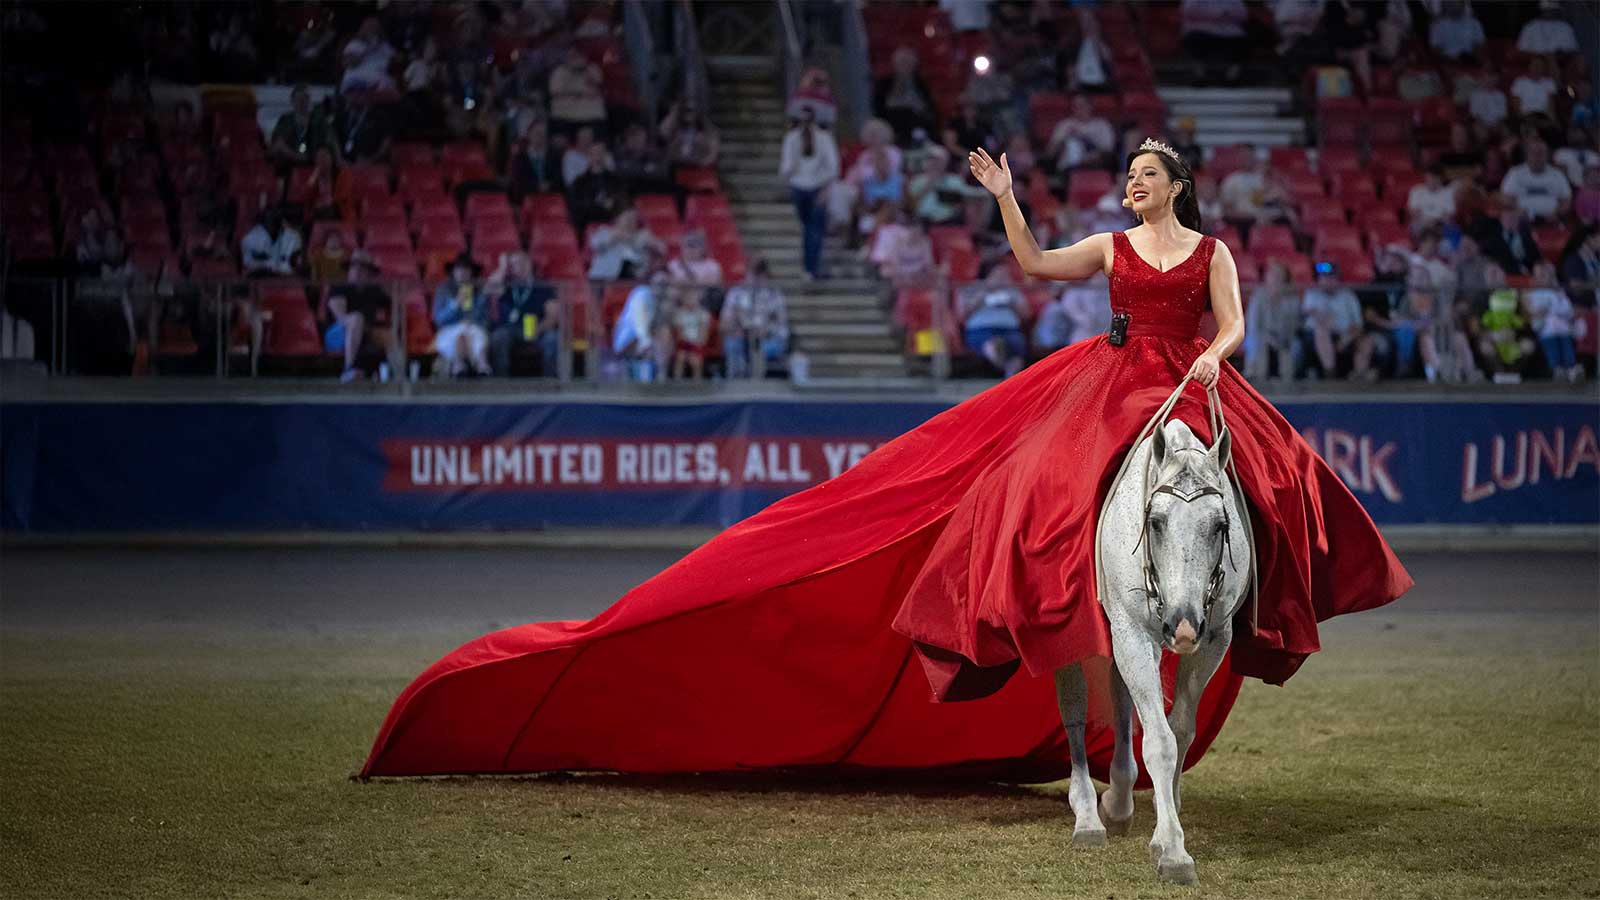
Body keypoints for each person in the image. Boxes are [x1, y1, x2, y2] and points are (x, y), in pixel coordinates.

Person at [360, 138, 1413, 809]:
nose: (1130, 184)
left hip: (1187, 381)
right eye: (1127, 176)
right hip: (1108, 382)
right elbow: (1039, 269)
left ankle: (1254, 608)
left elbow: (1234, 329)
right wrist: (1004, 197)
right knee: (1032, 494)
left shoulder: (1213, 249)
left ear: (1175, 183)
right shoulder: (1110, 245)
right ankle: (1034, 615)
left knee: (1268, 490)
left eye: (1144, 175)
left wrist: (1208, 367)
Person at [779, 106, 838, 280]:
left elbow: (833, 167)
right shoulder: (791, 139)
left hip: (818, 188)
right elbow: (786, 169)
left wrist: (827, 188)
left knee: (815, 228)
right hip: (799, 188)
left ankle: (811, 268)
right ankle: (808, 267)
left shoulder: (824, 138)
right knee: (808, 228)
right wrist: (795, 162)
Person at [323, 250, 396, 382]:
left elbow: (393, 303)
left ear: (369, 273)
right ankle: (348, 368)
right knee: (356, 319)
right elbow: (340, 317)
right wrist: (359, 323)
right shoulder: (339, 286)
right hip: (337, 333)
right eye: (355, 267)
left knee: (388, 335)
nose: (358, 271)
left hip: (364, 332)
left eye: (363, 268)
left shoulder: (374, 290)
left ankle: (396, 374)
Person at [486, 251, 558, 378]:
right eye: (514, 264)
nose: (519, 267)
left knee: (553, 339)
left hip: (537, 327)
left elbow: (552, 316)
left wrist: (539, 328)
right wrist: (502, 268)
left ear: (529, 264)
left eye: (522, 263)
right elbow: (488, 289)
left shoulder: (544, 286)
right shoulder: (507, 285)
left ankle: (549, 381)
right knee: (498, 337)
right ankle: (500, 381)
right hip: (511, 328)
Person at [720, 259, 790, 379]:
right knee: (732, 345)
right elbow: (724, 323)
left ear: (766, 275)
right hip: (741, 336)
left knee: (759, 350)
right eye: (754, 273)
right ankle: (734, 383)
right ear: (748, 273)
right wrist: (734, 327)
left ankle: (758, 385)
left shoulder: (775, 295)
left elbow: (782, 325)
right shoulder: (736, 292)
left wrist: (766, 330)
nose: (756, 278)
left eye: (760, 274)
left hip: (768, 338)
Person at [958, 266, 1030, 378]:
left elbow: (1026, 315)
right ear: (988, 276)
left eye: (1005, 276)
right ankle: (1005, 367)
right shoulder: (973, 289)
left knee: (1017, 344)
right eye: (998, 275)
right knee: (992, 345)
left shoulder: (1012, 291)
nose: (1002, 279)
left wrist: (1012, 303)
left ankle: (1011, 377)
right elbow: (962, 315)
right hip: (981, 330)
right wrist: (982, 296)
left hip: (1009, 329)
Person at [431, 251, 492, 377]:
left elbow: (485, 318)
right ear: (453, 271)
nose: (462, 273)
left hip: (474, 328)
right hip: (449, 330)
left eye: (466, 269)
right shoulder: (443, 290)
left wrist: (472, 317)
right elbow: (439, 319)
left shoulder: (479, 292)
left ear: (471, 273)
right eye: (459, 269)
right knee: (460, 337)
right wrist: (455, 305)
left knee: (475, 335)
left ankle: (482, 366)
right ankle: (459, 366)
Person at [1523, 261, 1583, 382]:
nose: (1541, 278)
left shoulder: (1559, 292)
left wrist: (1559, 311)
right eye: (1538, 275)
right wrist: (1540, 313)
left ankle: (1571, 369)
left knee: (1567, 346)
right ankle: (1556, 370)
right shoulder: (1532, 294)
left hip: (1563, 328)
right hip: (1545, 329)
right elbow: (1531, 312)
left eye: (1545, 275)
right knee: (1552, 348)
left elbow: (1568, 310)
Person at [1243, 260, 1301, 381]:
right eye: (1273, 276)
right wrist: (1267, 337)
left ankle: (1287, 380)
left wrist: (1280, 338)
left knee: (1292, 344)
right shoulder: (1258, 297)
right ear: (1267, 278)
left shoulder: (1291, 300)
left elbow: (1293, 326)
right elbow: (1253, 326)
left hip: (1282, 337)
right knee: (1256, 341)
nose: (1276, 280)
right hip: (1260, 335)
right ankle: (1256, 377)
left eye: (1280, 277)